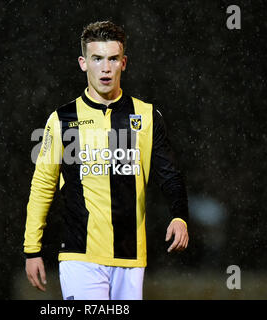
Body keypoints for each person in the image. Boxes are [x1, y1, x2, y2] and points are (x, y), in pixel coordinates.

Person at [24, 21, 189, 300]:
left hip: (130, 256)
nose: (105, 67)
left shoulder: (146, 116)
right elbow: (42, 185)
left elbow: (169, 173)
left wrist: (179, 215)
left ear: (123, 63)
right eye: (97, 59)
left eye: (113, 59)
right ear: (83, 63)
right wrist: (32, 249)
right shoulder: (62, 120)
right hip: (79, 255)